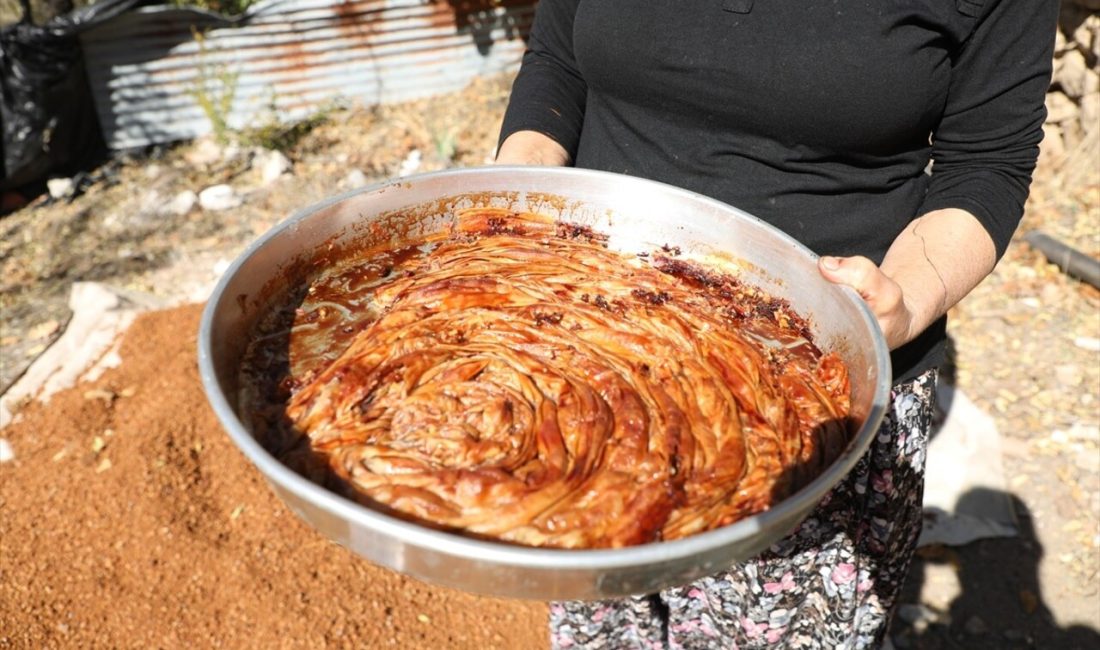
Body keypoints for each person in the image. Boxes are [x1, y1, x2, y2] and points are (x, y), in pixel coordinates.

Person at [494, 1, 1058, 648]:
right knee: (604, 629)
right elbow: (557, 64)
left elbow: (987, 164)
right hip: (582, 357)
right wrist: (519, 203)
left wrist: (905, 301)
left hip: (813, 398)